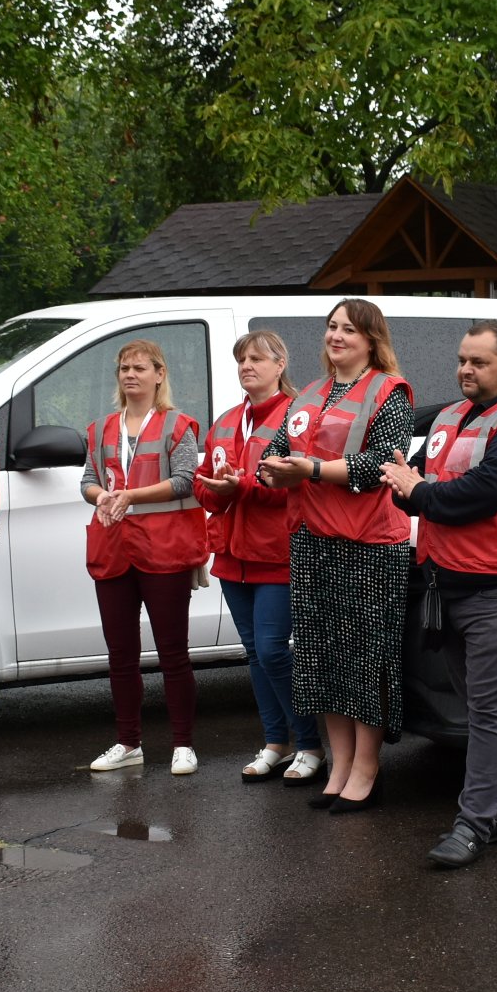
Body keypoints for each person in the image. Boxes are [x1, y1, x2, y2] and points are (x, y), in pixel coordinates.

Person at [382, 321, 497, 869]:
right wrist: (417, 490)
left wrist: (421, 491)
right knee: (487, 709)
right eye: (463, 359)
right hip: (449, 582)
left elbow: (484, 493)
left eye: (478, 362)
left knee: (489, 710)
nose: (465, 370)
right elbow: (413, 489)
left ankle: (473, 824)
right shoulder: (447, 417)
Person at [257, 298, 415, 814]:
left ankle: (367, 767)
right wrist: (271, 469)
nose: (336, 336)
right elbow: (277, 449)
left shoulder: (389, 392)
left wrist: (311, 471)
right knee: (322, 655)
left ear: (372, 339)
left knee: (365, 658)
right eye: (331, 327)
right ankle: (340, 763)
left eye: (349, 329)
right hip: (312, 539)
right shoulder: (309, 393)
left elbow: (378, 466)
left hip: (368, 543)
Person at [196, 331, 322, 784]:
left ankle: (308, 742)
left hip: (276, 554)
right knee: (253, 652)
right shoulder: (229, 419)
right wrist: (215, 489)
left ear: (280, 363)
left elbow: (297, 485)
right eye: (241, 359)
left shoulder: (296, 416)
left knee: (272, 650)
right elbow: (202, 481)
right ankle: (275, 742)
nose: (247, 365)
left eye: (257, 358)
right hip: (232, 554)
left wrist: (240, 487)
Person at [80, 339, 205, 776]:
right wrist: (103, 496)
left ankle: (183, 744)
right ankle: (128, 741)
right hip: (114, 548)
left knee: (173, 653)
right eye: (123, 368)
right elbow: (88, 481)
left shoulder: (176, 426)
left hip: (164, 549)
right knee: (120, 655)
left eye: (138, 368)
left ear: (159, 374)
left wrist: (129, 495)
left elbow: (186, 481)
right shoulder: (100, 429)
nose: (130, 375)